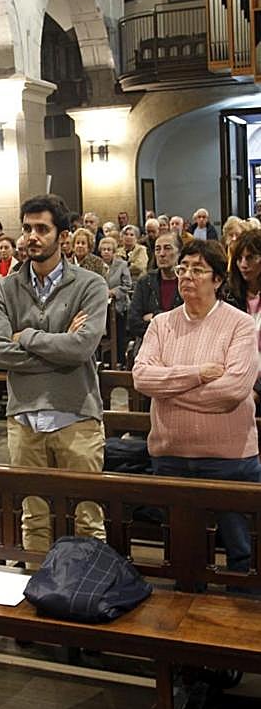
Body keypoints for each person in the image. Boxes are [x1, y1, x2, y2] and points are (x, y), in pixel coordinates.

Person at [0, 195, 108, 555]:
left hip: (76, 416)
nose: (32, 237)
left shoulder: (90, 284)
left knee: (87, 518)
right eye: (27, 228)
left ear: (63, 236)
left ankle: (87, 585)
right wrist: (60, 347)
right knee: (34, 519)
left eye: (42, 229)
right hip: (24, 419)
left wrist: (26, 337)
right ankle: (39, 584)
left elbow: (81, 349)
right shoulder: (6, 288)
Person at [133, 240, 259, 576]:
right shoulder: (162, 324)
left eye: (198, 269)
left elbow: (233, 390)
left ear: (217, 279)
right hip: (171, 455)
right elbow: (142, 378)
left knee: (242, 552)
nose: (187, 276)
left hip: (229, 460)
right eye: (183, 268)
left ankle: (239, 606)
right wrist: (198, 374)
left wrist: (167, 390)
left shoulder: (240, 324)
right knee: (183, 552)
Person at [128, 232, 183, 348]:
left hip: (182, 344)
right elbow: (133, 322)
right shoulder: (145, 282)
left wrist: (154, 316)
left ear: (179, 252)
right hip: (149, 345)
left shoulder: (187, 282)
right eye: (158, 249)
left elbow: (188, 321)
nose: (162, 254)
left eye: (167, 248)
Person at [227, 229, 261, 412]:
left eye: (250, 258)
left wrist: (257, 390)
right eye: (239, 259)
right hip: (238, 384)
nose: (243, 264)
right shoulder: (230, 297)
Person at [99, 236, 132, 367]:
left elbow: (127, 285)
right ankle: (106, 361)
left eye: (109, 249)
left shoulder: (122, 265)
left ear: (114, 252)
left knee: (119, 336)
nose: (106, 252)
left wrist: (112, 292)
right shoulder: (97, 265)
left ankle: (120, 362)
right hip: (102, 307)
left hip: (119, 307)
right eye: (103, 249)